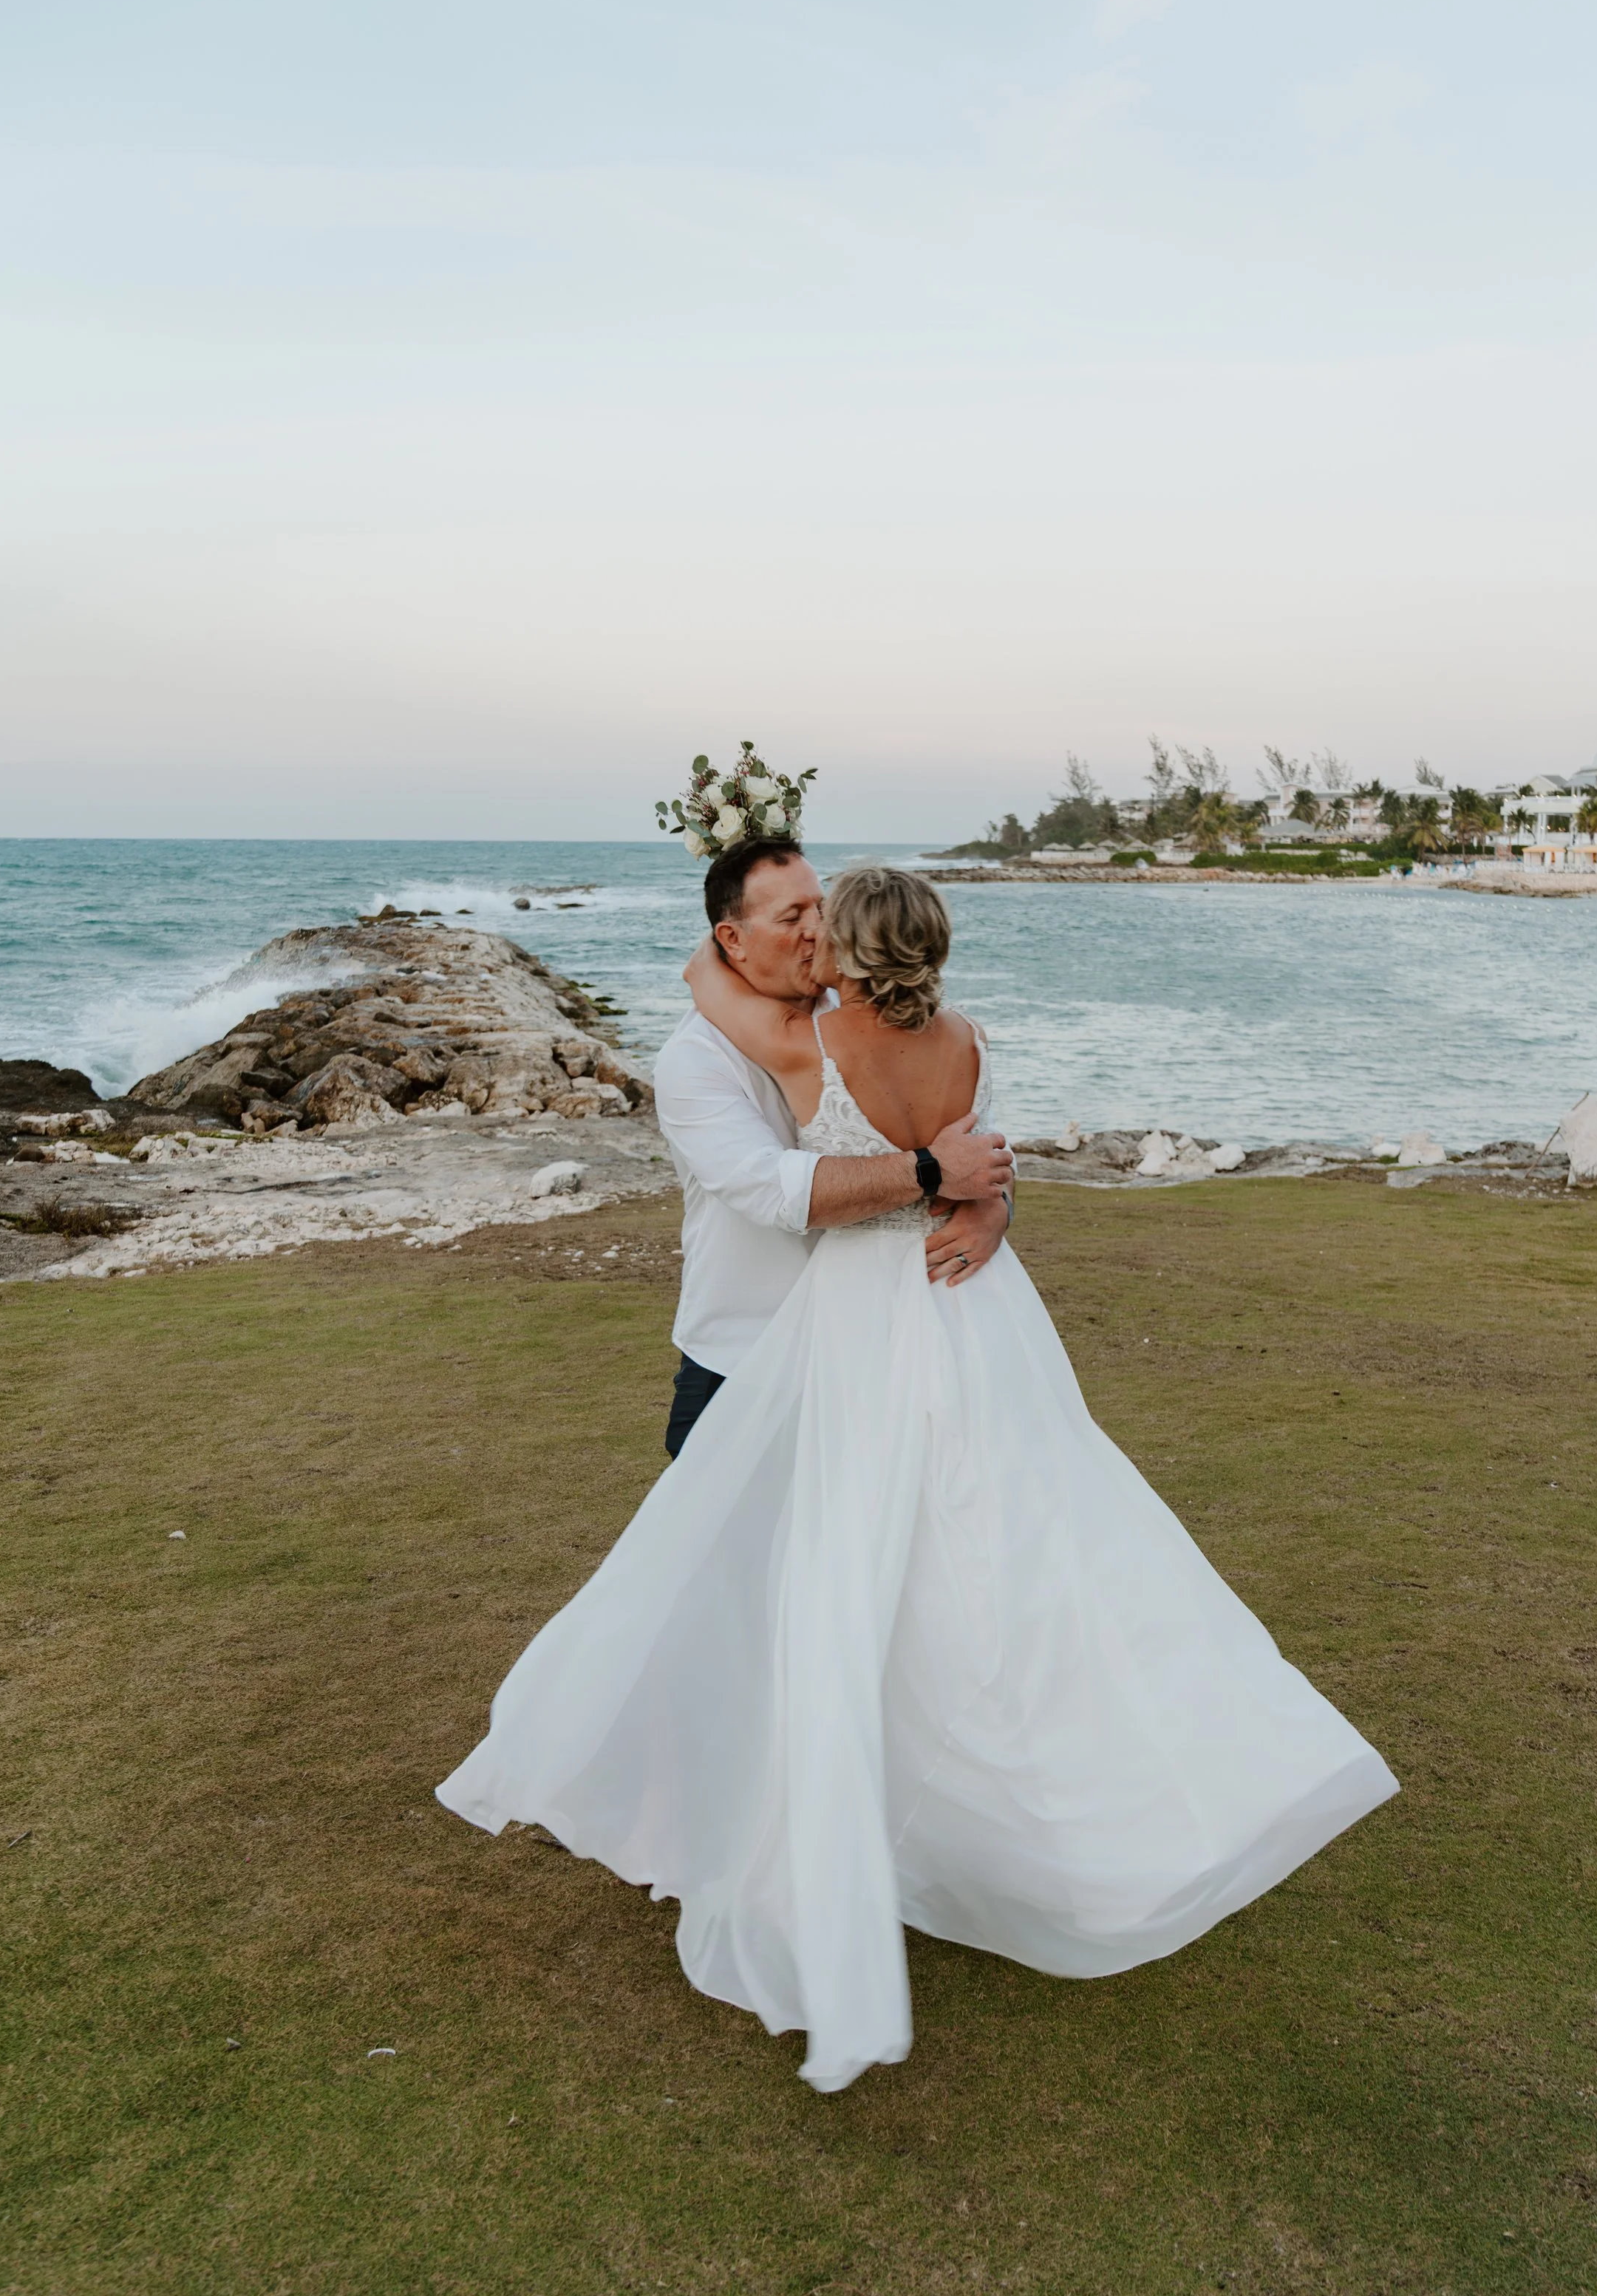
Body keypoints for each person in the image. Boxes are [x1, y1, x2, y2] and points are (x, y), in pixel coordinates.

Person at [437, 865, 1397, 2093]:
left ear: (844, 942)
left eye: (817, 915)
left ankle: (841, 1822)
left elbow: (939, 1162)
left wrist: (710, 965)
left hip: (858, 1330)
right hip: (960, 1326)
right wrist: (959, 1185)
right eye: (781, 917)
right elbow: (911, 1160)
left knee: (859, 1580)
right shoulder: (967, 1042)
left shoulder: (808, 1040)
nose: (803, 930)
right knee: (970, 1554)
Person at [646, 834, 1013, 1457]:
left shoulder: (876, 1008)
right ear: (730, 940)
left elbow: (980, 1141)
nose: (817, 929)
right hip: (750, 1350)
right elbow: (769, 1189)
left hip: (897, 1345)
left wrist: (994, 1206)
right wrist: (930, 1171)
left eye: (821, 908)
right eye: (792, 917)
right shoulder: (695, 1059)